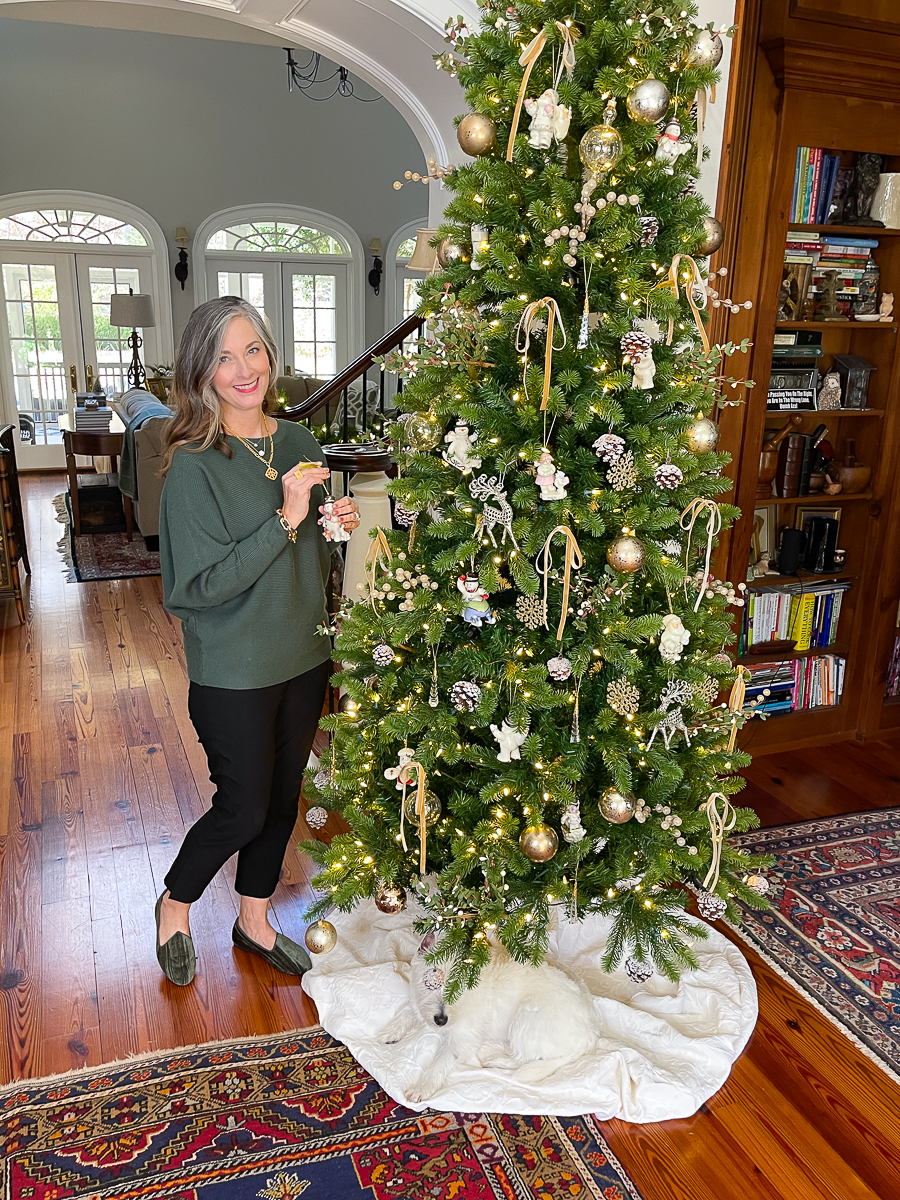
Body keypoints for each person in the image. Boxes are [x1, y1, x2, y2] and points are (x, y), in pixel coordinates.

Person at [154, 296, 360, 986]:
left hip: (304, 654)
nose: (244, 369)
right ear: (201, 371)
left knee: (281, 798)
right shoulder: (193, 465)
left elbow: (310, 555)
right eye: (224, 356)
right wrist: (284, 519)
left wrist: (333, 525)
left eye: (254, 350)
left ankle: (254, 919)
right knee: (242, 803)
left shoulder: (299, 442)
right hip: (234, 667)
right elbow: (197, 588)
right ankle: (176, 903)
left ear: (271, 354)